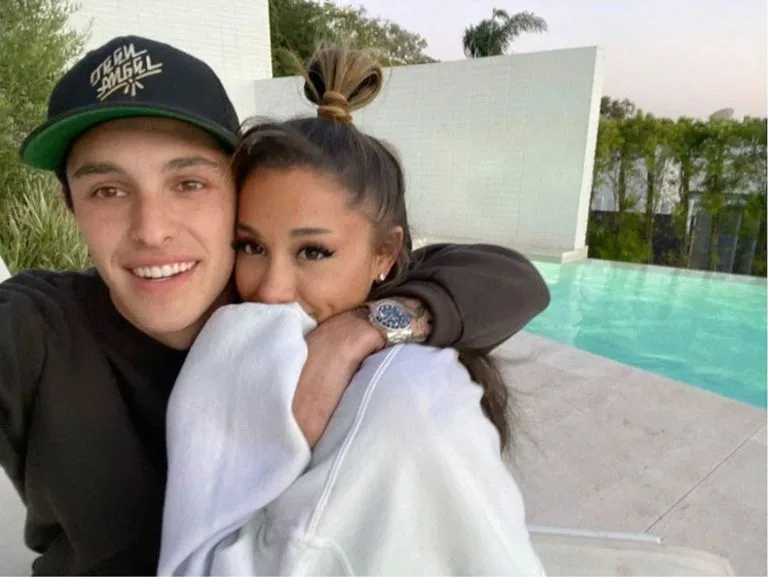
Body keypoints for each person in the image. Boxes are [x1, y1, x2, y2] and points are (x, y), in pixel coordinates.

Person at [0, 35, 549, 575]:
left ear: (235, 191)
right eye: (108, 191)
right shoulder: (36, 330)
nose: (152, 230)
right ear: (70, 203)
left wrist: (358, 331)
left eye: (188, 183)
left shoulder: (310, 314)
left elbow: (508, 277)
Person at [157, 46, 545, 576]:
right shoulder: (221, 318)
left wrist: (358, 331)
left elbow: (515, 278)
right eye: (250, 245)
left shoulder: (409, 392)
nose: (272, 289)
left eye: (314, 252)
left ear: (384, 254)